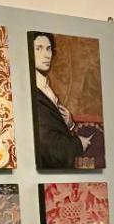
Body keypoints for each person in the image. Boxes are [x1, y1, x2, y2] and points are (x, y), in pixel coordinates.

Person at [31, 32, 104, 170]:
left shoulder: (45, 86)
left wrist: (69, 123)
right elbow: (46, 144)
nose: (46, 55)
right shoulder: (32, 90)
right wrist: (78, 144)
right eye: (38, 48)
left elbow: (51, 125)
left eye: (48, 49)